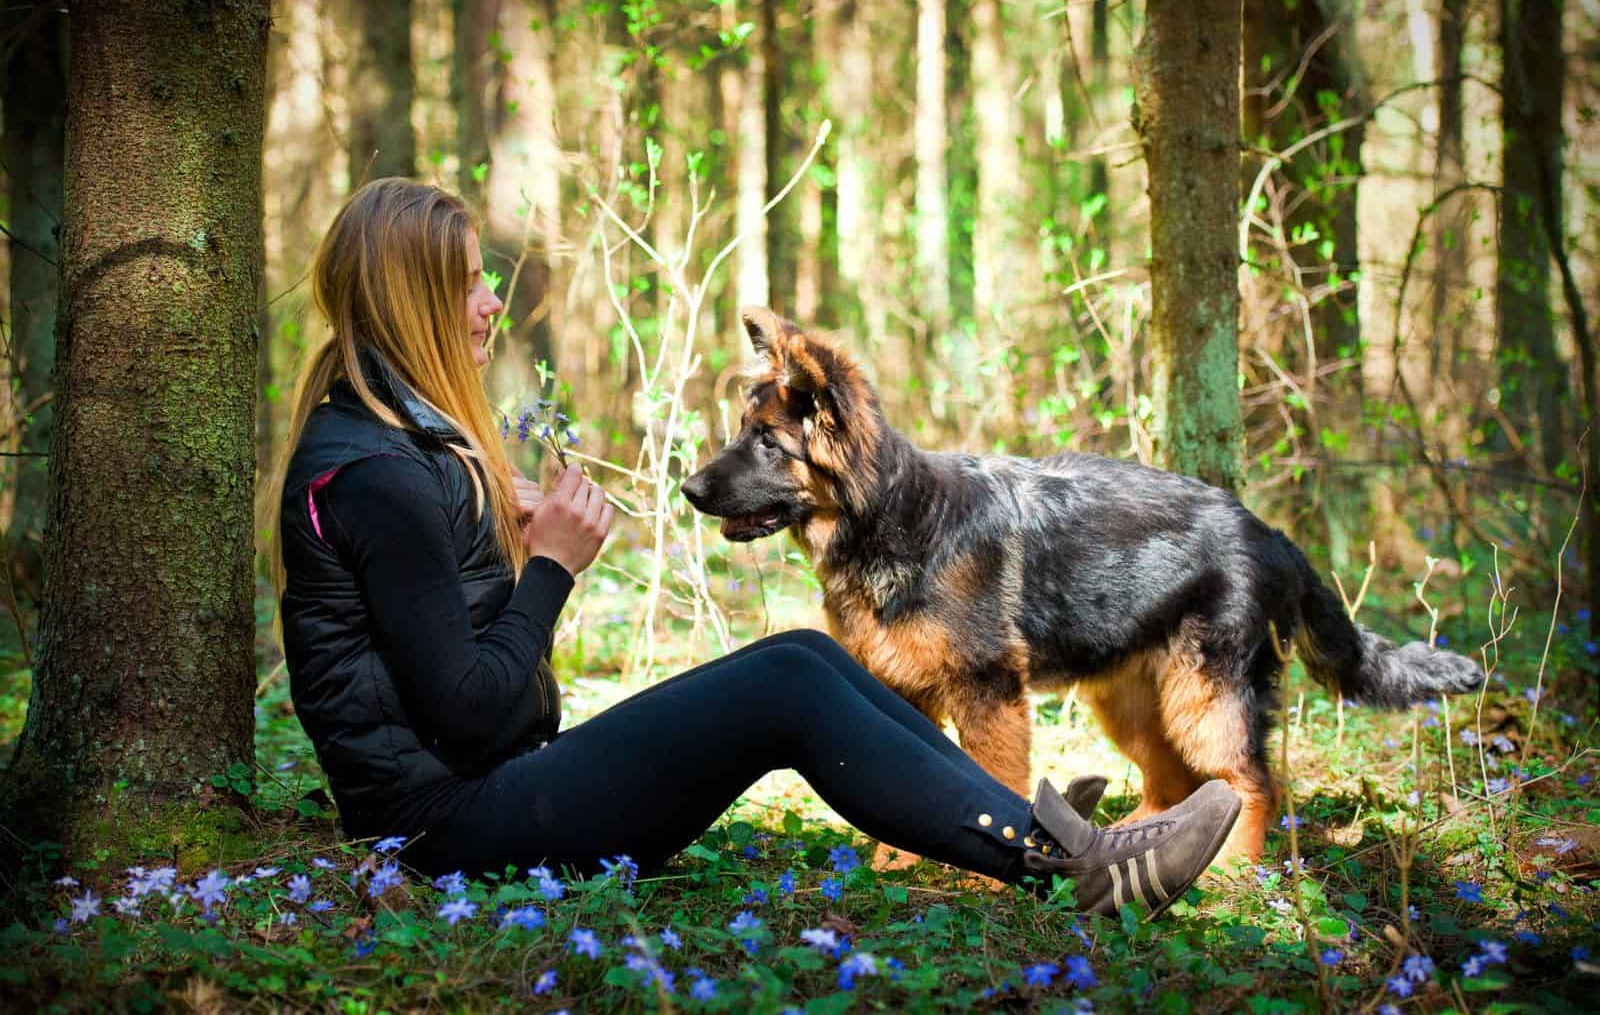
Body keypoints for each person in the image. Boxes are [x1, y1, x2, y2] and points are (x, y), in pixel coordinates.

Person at [269, 178, 1241, 919]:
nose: (489, 302)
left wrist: (499, 535)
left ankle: (1041, 832)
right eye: (466, 283)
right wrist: (554, 567)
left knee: (803, 657)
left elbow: (436, 656)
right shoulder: (378, 472)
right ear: (408, 304)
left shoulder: (391, 444)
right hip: (453, 831)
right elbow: (469, 714)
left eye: (486, 276)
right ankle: (1073, 868)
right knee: (786, 688)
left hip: (486, 799)